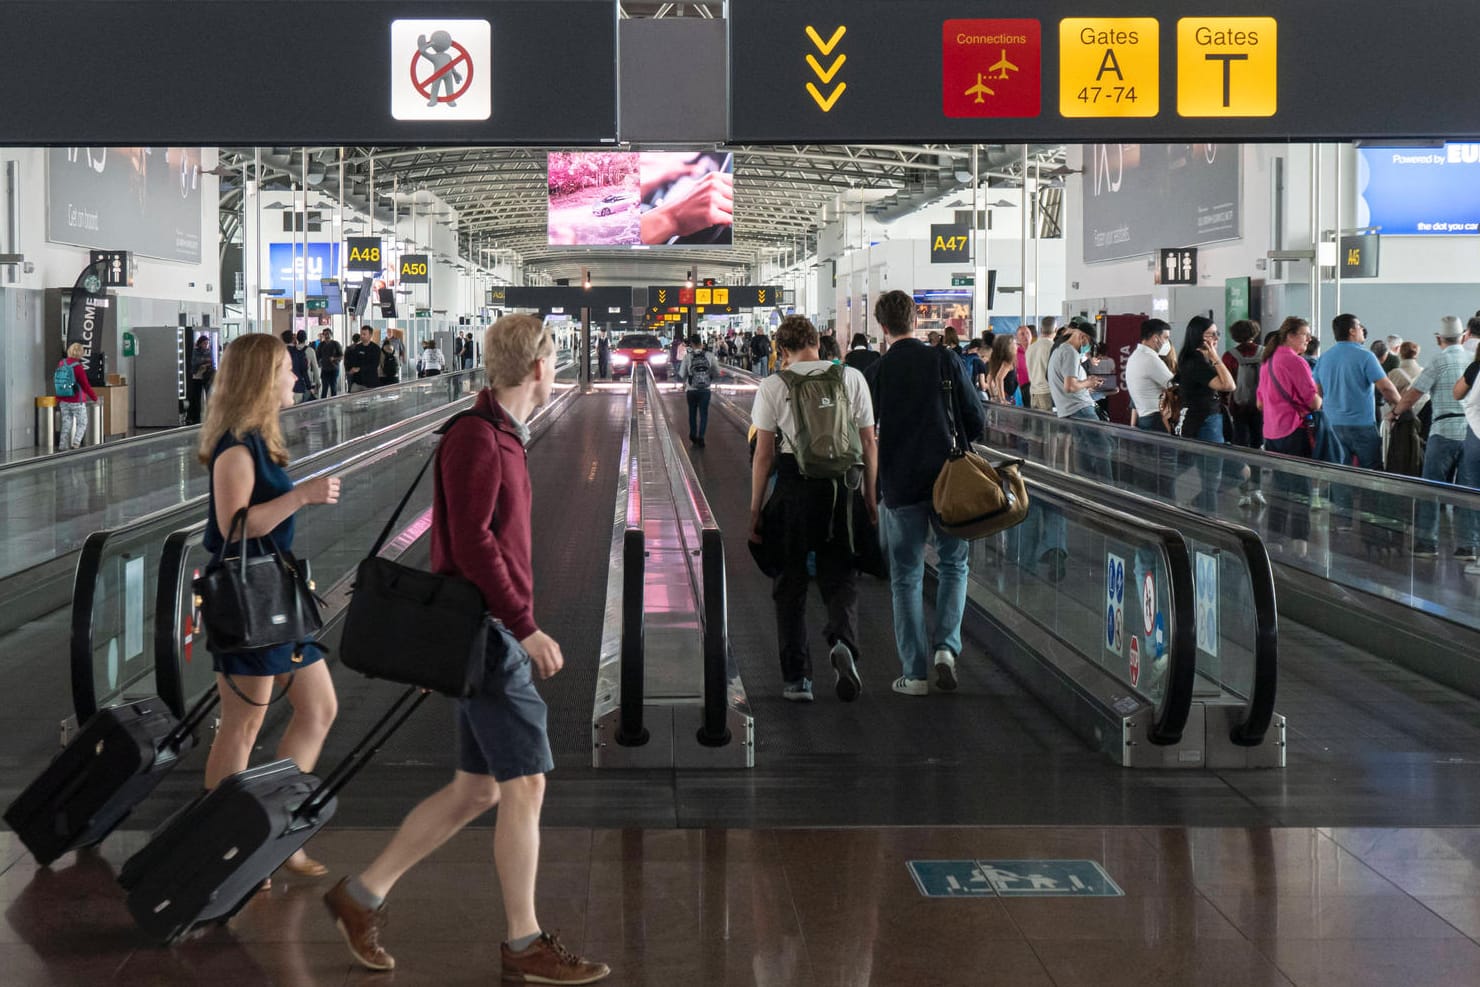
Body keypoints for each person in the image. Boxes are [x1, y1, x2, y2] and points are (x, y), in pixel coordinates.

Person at [323, 315, 609, 984]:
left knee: (476, 789)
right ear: (537, 366)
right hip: (490, 631)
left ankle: (358, 897)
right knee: (527, 781)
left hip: (483, 630)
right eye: (553, 359)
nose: (557, 370)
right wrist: (524, 623)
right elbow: (473, 544)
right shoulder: (478, 440)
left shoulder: (501, 435)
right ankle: (523, 940)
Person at [197, 333, 342, 881]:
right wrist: (301, 496)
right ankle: (219, 845)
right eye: (285, 370)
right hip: (248, 604)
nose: (295, 378)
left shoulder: (259, 441)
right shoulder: (235, 449)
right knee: (240, 728)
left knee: (319, 709)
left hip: (276, 598)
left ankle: (279, 827)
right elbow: (236, 529)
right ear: (261, 380)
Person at [748, 316, 877, 703]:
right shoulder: (851, 378)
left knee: (790, 582)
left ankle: (797, 679)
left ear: (782, 351)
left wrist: (755, 510)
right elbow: (869, 442)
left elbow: (763, 456)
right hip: (841, 488)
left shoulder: (774, 385)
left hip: (792, 487)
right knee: (840, 573)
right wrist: (870, 497)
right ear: (818, 343)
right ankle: (842, 642)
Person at [867, 290, 982, 696]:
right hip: (949, 482)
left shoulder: (879, 371)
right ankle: (947, 650)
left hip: (900, 484)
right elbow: (975, 418)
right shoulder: (944, 358)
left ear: (882, 326)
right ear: (916, 320)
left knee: (906, 578)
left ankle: (914, 674)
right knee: (954, 565)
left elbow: (866, 432)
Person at [1386, 316, 1475, 558]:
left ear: (1439, 338)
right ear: (1463, 336)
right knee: (1467, 490)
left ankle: (1428, 543)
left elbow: (1414, 394)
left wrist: (1394, 413)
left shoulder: (1439, 360)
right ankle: (1468, 546)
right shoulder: (1471, 359)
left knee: (1432, 488)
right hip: (1470, 432)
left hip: (1443, 431)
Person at [1313, 314, 1402, 521]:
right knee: (1371, 472)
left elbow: (1317, 390)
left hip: (1333, 424)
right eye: (1360, 327)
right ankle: (1371, 517)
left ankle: (1342, 519)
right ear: (1352, 331)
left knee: (1340, 473)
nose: (1363, 330)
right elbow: (1386, 387)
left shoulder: (1325, 357)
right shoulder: (1365, 356)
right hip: (1361, 425)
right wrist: (1400, 407)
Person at [1258, 318, 1321, 552]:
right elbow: (1313, 401)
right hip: (1294, 430)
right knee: (1301, 487)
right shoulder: (1296, 362)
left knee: (1278, 487)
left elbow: (1260, 402)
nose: (1308, 338)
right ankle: (1299, 541)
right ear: (1290, 336)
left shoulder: (1267, 361)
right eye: (1305, 334)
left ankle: (1274, 539)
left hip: (1272, 432)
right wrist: (1320, 400)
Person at [1174, 316, 1236, 511]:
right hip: (1205, 422)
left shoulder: (1197, 360)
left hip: (1207, 420)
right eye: (1212, 334)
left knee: (1239, 472)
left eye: (1217, 333)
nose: (1216, 338)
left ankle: (1197, 506)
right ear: (1198, 337)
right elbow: (1228, 385)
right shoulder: (1196, 362)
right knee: (1211, 480)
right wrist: (1216, 358)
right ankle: (1208, 522)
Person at [1223, 319, 1266, 508]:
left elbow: (1226, 385)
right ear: (1255, 332)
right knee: (1258, 448)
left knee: (1241, 449)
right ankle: (1257, 489)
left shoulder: (1229, 356)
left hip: (1238, 408)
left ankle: (1244, 492)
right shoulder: (1265, 353)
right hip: (1260, 408)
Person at [1452, 329, 1480, 574]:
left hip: (1477, 435)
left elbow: (1457, 392)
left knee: (1472, 491)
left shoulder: (1476, 369)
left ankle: (1473, 548)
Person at [54, 342, 99, 450]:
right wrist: (94, 398)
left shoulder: (61, 363)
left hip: (63, 399)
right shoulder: (78, 367)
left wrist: (58, 398)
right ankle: (76, 443)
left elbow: (59, 381)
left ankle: (62, 445)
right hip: (76, 400)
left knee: (66, 423)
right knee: (82, 422)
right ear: (80, 354)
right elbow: (85, 385)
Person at [679, 333, 714, 446]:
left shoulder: (688, 357)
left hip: (691, 390)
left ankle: (693, 435)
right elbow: (717, 371)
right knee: (704, 414)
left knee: (692, 413)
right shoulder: (709, 355)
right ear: (701, 343)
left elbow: (682, 373)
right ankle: (701, 436)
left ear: (692, 344)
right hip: (706, 389)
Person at [1025, 316, 1058, 411]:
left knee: (1035, 424)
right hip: (1047, 393)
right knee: (1048, 425)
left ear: (1040, 329)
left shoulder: (1031, 348)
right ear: (1056, 329)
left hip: (1033, 392)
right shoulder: (1053, 348)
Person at [186, 335, 215, 425]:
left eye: (207, 343)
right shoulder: (195, 352)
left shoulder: (209, 351)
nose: (206, 345)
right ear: (200, 343)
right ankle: (196, 417)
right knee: (196, 397)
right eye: (204, 343)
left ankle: (210, 416)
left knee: (209, 396)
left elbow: (211, 362)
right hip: (197, 377)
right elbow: (194, 363)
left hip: (207, 376)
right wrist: (202, 363)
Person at [983, 334, 1018, 404]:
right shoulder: (1008, 361)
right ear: (1008, 347)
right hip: (1008, 396)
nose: (1016, 346)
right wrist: (1003, 399)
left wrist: (992, 396)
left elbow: (989, 378)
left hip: (999, 395)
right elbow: (999, 378)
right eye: (1014, 343)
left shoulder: (996, 360)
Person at [280, 330, 312, 403]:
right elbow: (304, 371)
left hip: (282, 389)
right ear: (293, 339)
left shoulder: (278, 354)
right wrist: (309, 386)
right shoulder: (300, 353)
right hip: (298, 387)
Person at [347, 326, 381, 391]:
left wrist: (360, 369)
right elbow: (353, 361)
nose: (362, 336)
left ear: (370, 335)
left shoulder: (375, 348)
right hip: (357, 382)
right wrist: (351, 369)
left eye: (364, 334)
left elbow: (374, 365)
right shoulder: (357, 347)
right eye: (361, 334)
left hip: (370, 383)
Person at [317, 328, 343, 398]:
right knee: (324, 389)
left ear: (331, 334)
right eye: (324, 334)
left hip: (334, 369)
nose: (326, 336)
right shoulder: (321, 345)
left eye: (327, 334)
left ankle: (333, 405)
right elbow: (318, 356)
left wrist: (334, 358)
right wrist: (319, 362)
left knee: (333, 388)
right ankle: (322, 405)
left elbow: (341, 356)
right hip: (325, 369)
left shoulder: (336, 344)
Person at [297, 329, 321, 400]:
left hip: (294, 381)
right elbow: (315, 368)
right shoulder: (310, 350)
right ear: (306, 338)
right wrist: (318, 382)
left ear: (297, 338)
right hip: (306, 381)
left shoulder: (293, 350)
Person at [1014, 324, 1033, 405]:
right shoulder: (1014, 353)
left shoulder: (1036, 351)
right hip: (1022, 390)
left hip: (1036, 388)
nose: (1026, 336)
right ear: (1017, 338)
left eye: (1028, 333)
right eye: (1022, 334)